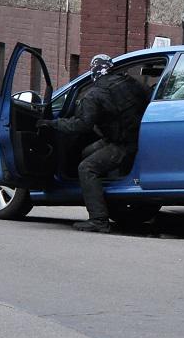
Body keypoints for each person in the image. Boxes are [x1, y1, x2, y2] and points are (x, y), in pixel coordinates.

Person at [37, 54, 150, 233]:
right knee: (87, 152)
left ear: (94, 71)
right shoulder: (132, 83)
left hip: (123, 144)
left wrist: (53, 124)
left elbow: (81, 125)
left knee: (86, 168)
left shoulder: (94, 94)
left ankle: (99, 220)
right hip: (140, 137)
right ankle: (107, 193)